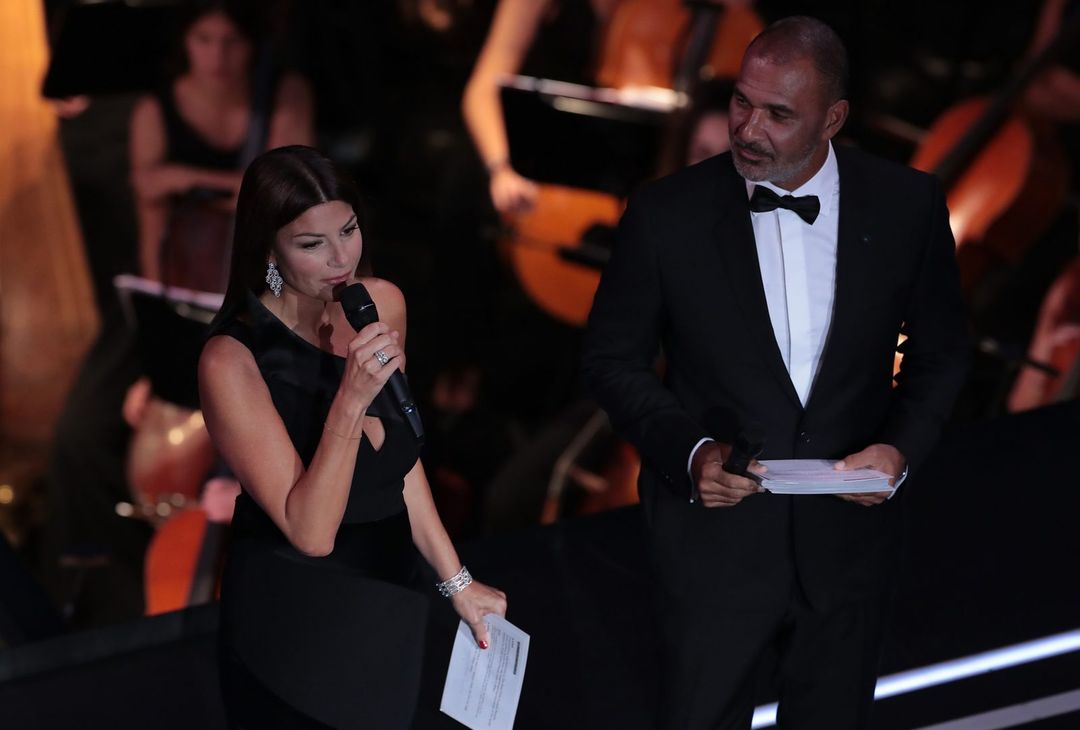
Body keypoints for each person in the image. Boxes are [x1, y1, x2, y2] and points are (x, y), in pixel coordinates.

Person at [581, 16, 970, 728]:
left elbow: (942, 354)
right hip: (713, 550)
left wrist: (900, 449)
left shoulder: (906, 206)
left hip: (848, 549)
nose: (748, 128)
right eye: (741, 101)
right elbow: (610, 358)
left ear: (834, 118)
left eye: (779, 114)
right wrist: (690, 452)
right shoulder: (666, 214)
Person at [198, 145, 507, 728]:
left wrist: (456, 579)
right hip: (294, 615)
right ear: (269, 246)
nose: (342, 259)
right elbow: (311, 532)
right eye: (312, 244)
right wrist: (349, 400)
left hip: (390, 593)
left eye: (349, 230)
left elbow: (398, 460)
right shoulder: (231, 360)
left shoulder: (380, 303)